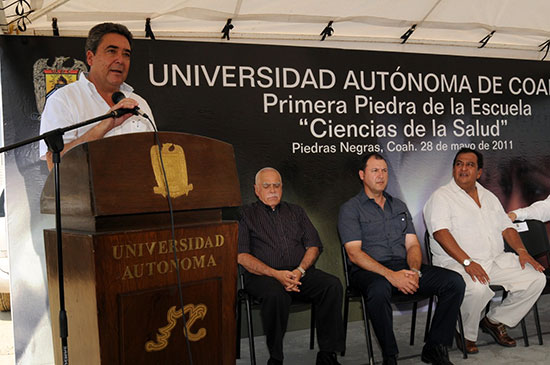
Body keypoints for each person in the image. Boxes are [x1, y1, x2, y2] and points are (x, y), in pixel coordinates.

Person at [338, 152, 465, 365]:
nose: (381, 175)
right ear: (362, 175)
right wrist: (392, 276)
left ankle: (435, 347)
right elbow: (354, 253)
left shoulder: (399, 206)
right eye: (375, 171)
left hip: (404, 267)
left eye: (384, 171)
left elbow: (413, 245)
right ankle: (390, 356)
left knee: (454, 282)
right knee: (378, 289)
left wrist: (414, 272)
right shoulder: (350, 209)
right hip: (368, 272)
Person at [423, 148, 545, 355]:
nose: (463, 169)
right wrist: (468, 262)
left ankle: (494, 321)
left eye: (470, 165)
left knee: (536, 279)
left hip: (494, 260)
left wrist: (522, 251)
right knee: (478, 288)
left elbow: (506, 226)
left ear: (479, 172)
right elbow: (441, 233)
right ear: (453, 169)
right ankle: (465, 333)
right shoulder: (441, 197)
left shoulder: (489, 197)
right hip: (457, 264)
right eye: (459, 164)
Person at [238, 167, 345, 365]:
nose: (272, 190)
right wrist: (276, 274)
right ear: (256, 190)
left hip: (299, 273)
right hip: (263, 277)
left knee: (332, 285)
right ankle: (276, 358)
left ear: (282, 188)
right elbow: (242, 256)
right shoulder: (246, 215)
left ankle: (327, 354)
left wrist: (299, 271)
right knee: (275, 295)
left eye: (277, 185)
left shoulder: (296, 211)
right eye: (266, 186)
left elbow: (314, 245)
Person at [39, 22, 156, 170]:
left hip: (135, 192)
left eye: (126, 54)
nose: (120, 60)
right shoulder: (64, 100)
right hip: (85, 192)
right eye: (111, 51)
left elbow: (155, 158)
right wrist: (104, 126)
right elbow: (54, 163)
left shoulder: (139, 103)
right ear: (90, 58)